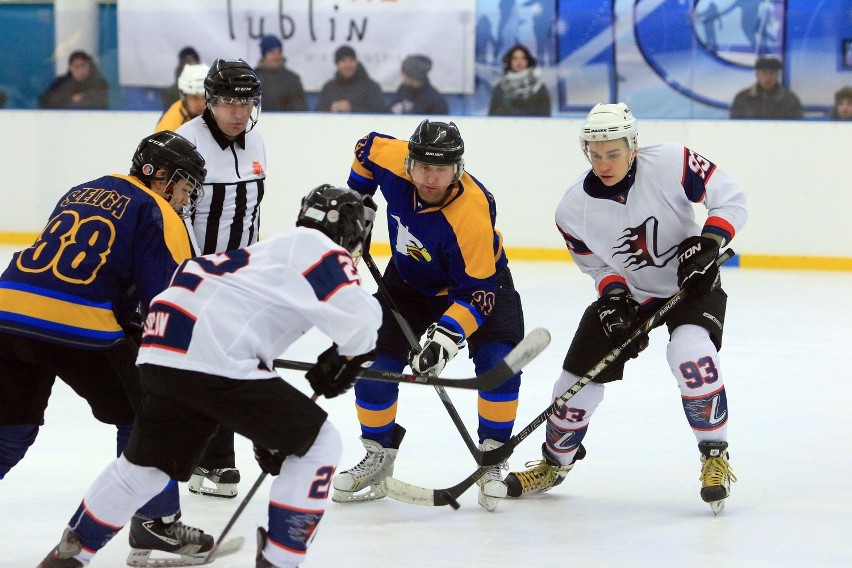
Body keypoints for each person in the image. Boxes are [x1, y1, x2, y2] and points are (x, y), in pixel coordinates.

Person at [39, 185, 383, 568]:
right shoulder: (316, 247)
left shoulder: (262, 254)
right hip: (213, 352)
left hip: (163, 346)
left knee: (145, 470)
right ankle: (280, 562)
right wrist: (348, 357)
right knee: (318, 445)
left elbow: (234, 324)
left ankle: (68, 556)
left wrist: (266, 428)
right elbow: (363, 322)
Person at [504, 103, 747, 514]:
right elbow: (595, 264)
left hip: (691, 283)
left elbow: (731, 200)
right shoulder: (572, 209)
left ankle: (714, 455)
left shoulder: (671, 161)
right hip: (632, 294)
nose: (603, 163)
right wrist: (614, 297)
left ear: (633, 146)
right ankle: (554, 463)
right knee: (574, 382)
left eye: (613, 153)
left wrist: (708, 243)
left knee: (690, 355)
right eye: (595, 154)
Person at [0, 131, 214, 565]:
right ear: (162, 178)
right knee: (149, 416)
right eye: (186, 185)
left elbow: (75, 265)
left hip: (8, 310)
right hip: (76, 323)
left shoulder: (85, 188)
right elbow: (166, 301)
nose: (186, 197)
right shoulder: (157, 212)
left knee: (11, 429)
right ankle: (155, 521)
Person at [333, 119, 526, 512]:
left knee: (498, 364)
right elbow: (365, 148)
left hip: (478, 283)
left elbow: (479, 293)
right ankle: (377, 455)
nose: (431, 179)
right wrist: (358, 206)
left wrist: (445, 339)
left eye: (441, 169)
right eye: (423, 168)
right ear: (409, 163)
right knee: (371, 363)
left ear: (458, 168)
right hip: (409, 283)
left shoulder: (470, 211)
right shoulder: (390, 159)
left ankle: (492, 458)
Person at [176, 58, 267, 498]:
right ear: (209, 101)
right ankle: (211, 462)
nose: (237, 111)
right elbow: (176, 216)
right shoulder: (184, 143)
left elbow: (250, 214)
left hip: (242, 278)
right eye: (228, 101)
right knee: (208, 367)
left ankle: (213, 456)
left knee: (238, 364)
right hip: (198, 277)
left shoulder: (256, 139)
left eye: (245, 101)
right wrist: (197, 276)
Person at [315, 45, 387, 113]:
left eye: (351, 60)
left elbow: (379, 112)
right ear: (337, 65)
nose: (348, 65)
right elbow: (317, 112)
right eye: (343, 61)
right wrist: (331, 109)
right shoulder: (329, 88)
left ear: (356, 62)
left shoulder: (371, 87)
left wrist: (352, 109)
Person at [729, 56, 803, 119]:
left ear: (777, 75)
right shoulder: (742, 98)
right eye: (764, 73)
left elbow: (797, 127)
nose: (768, 77)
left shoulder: (789, 99)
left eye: (772, 73)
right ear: (757, 75)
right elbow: (734, 126)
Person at [488, 44, 551, 117]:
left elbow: (545, 117)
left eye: (523, 58)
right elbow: (492, 116)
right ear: (510, 62)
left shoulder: (539, 87)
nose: (519, 61)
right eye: (515, 58)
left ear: (528, 61)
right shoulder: (501, 87)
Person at [37, 50, 109, 110]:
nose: (80, 70)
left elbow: (102, 104)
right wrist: (69, 99)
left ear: (89, 67)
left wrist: (83, 99)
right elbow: (43, 102)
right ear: (70, 67)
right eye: (77, 66)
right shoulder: (61, 82)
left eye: (83, 66)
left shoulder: (98, 83)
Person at [255, 35, 308, 112]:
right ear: (264, 55)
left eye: (279, 51)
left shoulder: (292, 79)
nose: (276, 56)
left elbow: (301, 109)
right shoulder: (253, 78)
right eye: (272, 52)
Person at [154, 63, 208, 132]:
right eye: (195, 97)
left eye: (206, 96)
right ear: (184, 97)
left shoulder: (221, 108)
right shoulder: (169, 129)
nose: (202, 103)